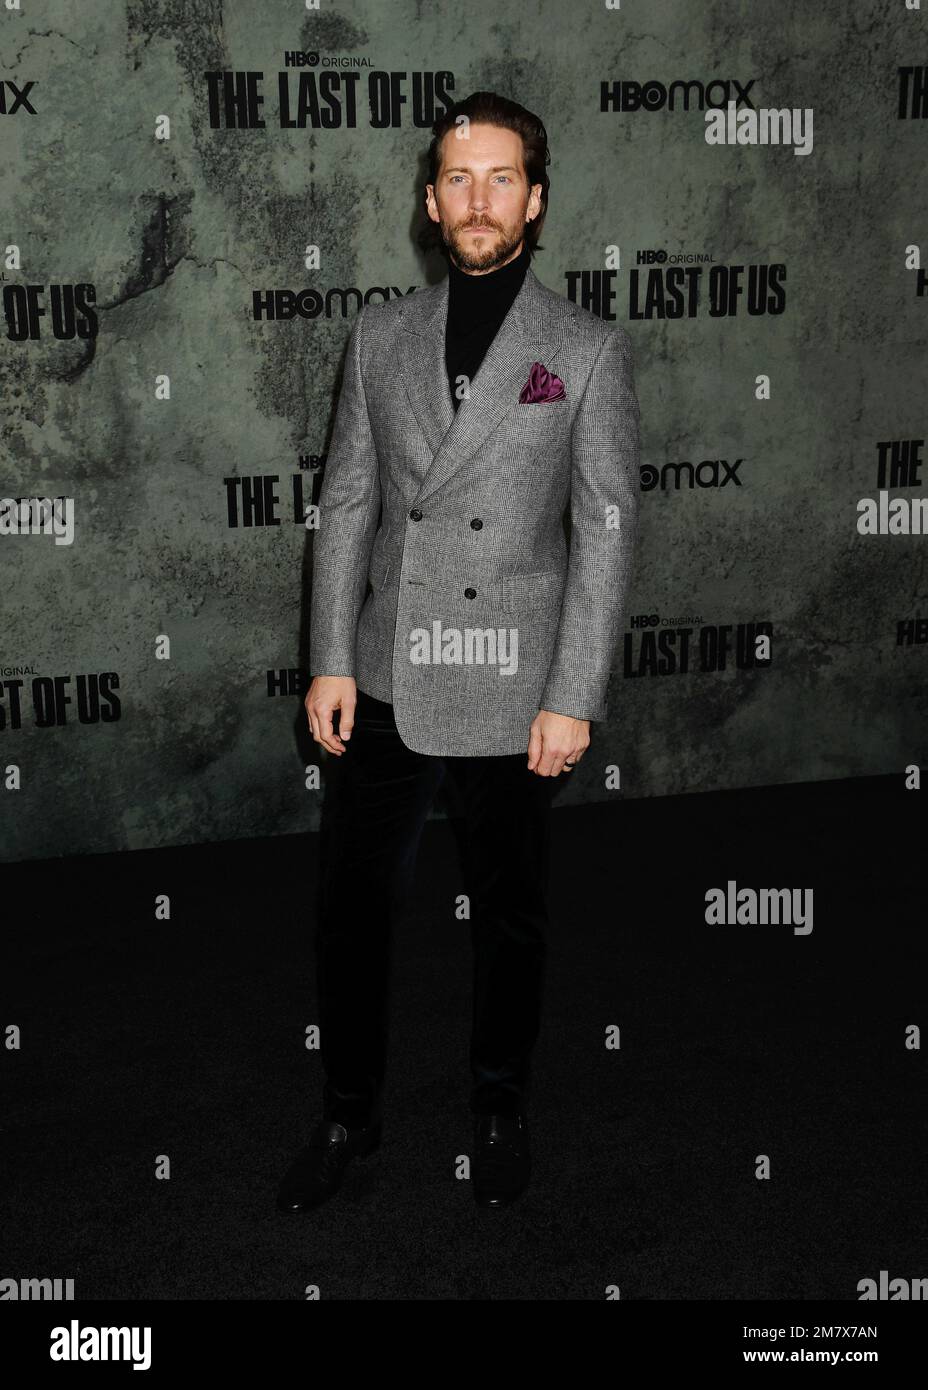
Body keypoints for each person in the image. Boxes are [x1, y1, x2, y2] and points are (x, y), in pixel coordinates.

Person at [277, 90, 640, 1212]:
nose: (476, 200)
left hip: (516, 683)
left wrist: (573, 692)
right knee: (350, 907)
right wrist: (330, 656)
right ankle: (348, 1115)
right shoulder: (379, 334)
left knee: (510, 912)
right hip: (387, 670)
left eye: (499, 178)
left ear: (533, 197)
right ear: (430, 202)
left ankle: (498, 1105)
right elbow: (345, 504)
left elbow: (607, 524)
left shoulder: (581, 350)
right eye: (455, 178)